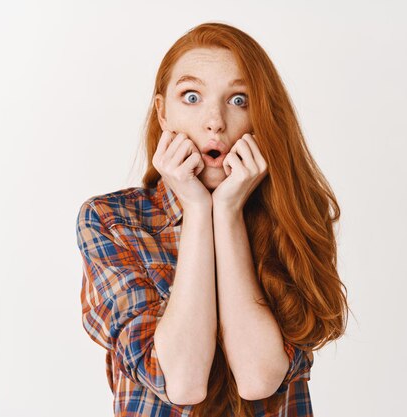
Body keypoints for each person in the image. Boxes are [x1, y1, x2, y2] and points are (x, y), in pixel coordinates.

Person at [75, 21, 348, 417]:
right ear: (162, 113)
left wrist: (228, 213)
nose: (215, 121)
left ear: (261, 117)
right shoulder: (111, 221)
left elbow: (259, 378)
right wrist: (199, 211)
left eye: (239, 100)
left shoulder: (297, 216)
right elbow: (181, 381)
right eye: (191, 97)